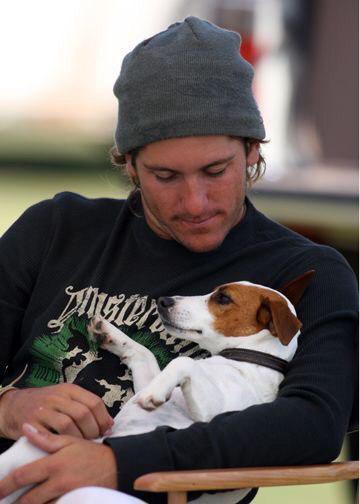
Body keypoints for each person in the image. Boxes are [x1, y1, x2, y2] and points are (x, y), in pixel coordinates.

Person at [0, 16, 357, 504]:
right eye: (165, 176)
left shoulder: (303, 274)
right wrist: (8, 405)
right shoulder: (56, 229)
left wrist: (118, 465)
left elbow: (311, 423)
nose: (195, 202)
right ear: (127, 162)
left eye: (216, 171)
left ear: (253, 150)